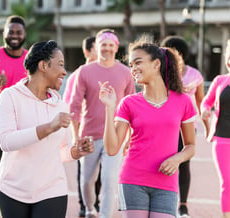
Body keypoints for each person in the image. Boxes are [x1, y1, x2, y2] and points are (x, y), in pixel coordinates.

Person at [0, 40, 94, 218]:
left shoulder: (60, 106)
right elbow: (6, 142)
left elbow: (62, 151)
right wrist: (49, 127)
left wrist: (75, 151)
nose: (64, 71)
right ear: (43, 66)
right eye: (60, 65)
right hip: (13, 190)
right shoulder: (9, 97)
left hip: (52, 189)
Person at [99, 37, 196, 218]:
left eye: (138, 62)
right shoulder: (128, 103)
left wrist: (177, 159)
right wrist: (109, 108)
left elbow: (191, 145)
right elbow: (112, 149)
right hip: (132, 180)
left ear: (156, 64)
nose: (133, 68)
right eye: (130, 64)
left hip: (167, 185)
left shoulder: (183, 101)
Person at [69, 29, 135, 218]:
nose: (106, 48)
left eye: (110, 44)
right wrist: (76, 138)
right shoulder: (84, 71)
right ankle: (90, 209)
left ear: (116, 47)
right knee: (87, 181)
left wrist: (129, 137)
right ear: (96, 47)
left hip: (116, 135)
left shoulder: (125, 73)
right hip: (89, 135)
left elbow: (131, 108)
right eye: (103, 44)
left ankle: (105, 215)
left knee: (109, 179)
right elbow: (74, 105)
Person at [161, 35, 210, 217]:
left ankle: (182, 205)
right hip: (164, 126)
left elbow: (200, 102)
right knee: (164, 163)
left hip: (187, 127)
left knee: (183, 164)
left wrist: (206, 126)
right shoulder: (161, 73)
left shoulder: (194, 75)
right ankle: (166, 200)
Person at [0, 15, 28, 177]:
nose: (15, 36)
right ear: (4, 33)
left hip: (21, 129)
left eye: (19, 32)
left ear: (24, 34)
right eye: (11, 32)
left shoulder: (30, 60)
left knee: (14, 177)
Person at [201, 36, 230, 218]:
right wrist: (205, 111)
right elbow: (206, 102)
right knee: (228, 184)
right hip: (223, 140)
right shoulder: (219, 81)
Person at [63, 36, 100, 217]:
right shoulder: (78, 74)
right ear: (88, 51)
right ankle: (84, 206)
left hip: (104, 132)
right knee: (85, 172)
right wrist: (74, 134)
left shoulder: (106, 73)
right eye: (97, 48)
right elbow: (69, 104)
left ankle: (96, 204)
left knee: (100, 173)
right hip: (84, 131)